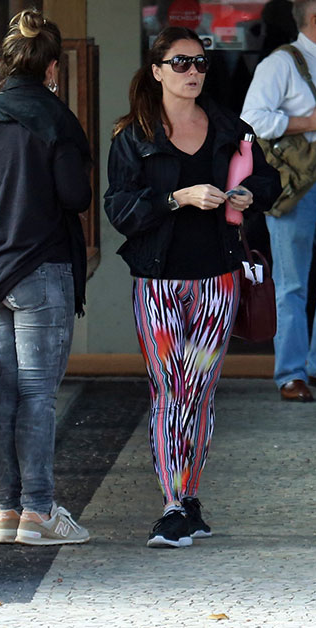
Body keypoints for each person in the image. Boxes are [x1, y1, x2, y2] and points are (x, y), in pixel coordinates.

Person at [104, 27, 280, 548]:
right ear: (156, 70)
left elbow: (269, 182)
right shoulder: (132, 135)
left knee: (197, 389)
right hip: (157, 283)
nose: (192, 73)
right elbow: (120, 209)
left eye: (200, 63)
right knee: (169, 388)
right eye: (180, 64)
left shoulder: (231, 127)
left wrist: (249, 193)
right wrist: (175, 199)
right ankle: (175, 502)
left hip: (217, 280)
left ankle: (187, 497)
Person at [0, 9, 92, 546]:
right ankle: (40, 511)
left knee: (5, 396)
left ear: (2, 65)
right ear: (52, 66)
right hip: (39, 271)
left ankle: (10, 511)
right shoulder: (56, 119)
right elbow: (76, 197)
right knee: (37, 394)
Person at [242, 0, 316, 403]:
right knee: (291, 284)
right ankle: (290, 373)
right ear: (315, 21)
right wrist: (305, 121)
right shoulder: (280, 64)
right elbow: (250, 120)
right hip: (295, 186)